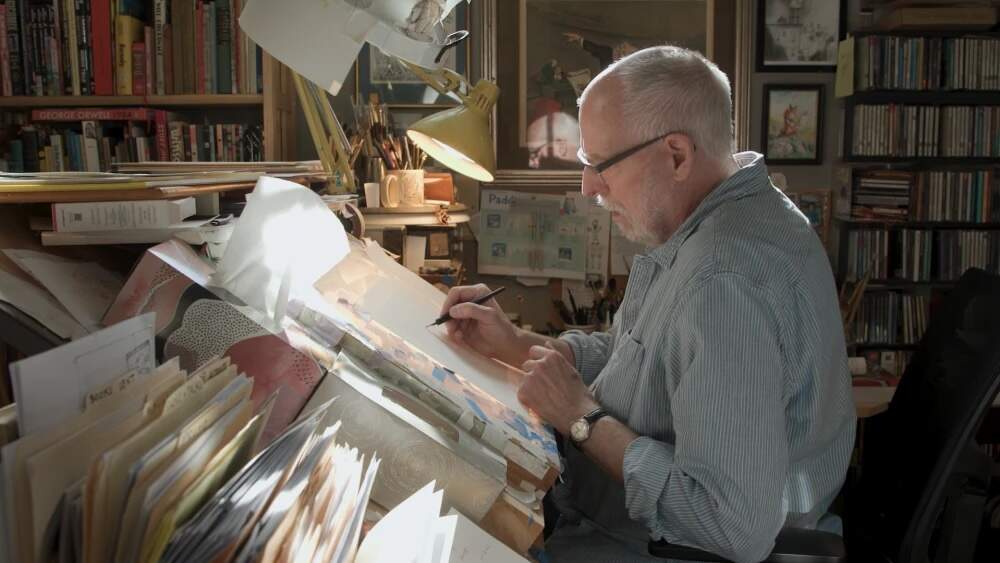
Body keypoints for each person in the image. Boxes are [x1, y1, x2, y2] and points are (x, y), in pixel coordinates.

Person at [440, 45, 855, 562]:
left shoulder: (724, 283)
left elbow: (731, 525)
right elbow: (637, 359)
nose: (588, 186)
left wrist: (581, 417)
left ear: (676, 155)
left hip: (653, 549)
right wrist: (516, 343)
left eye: (601, 165)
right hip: (610, 524)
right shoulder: (717, 216)